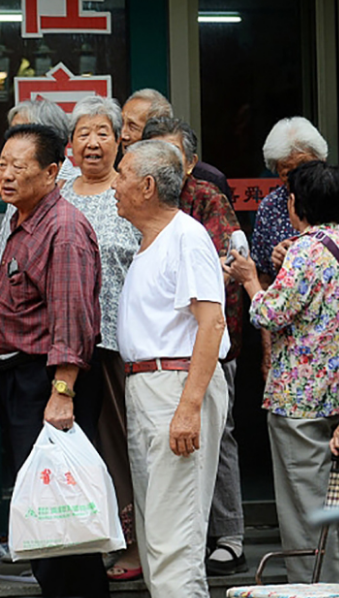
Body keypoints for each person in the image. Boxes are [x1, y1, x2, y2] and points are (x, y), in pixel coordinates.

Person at [0, 124, 107, 598]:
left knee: (61, 507)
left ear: (53, 171)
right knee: (42, 504)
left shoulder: (64, 228)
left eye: (19, 166)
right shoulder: (22, 218)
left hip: (48, 383)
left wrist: (62, 392)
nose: (7, 174)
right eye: (2, 164)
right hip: (19, 378)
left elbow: (72, 317)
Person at [114, 139, 229, 598]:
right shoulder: (153, 242)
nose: (114, 186)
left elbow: (212, 322)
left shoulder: (187, 236)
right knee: (158, 531)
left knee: (174, 538)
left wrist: (189, 407)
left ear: (145, 186)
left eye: (122, 175)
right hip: (151, 385)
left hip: (176, 384)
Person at [141, 116, 247, 574]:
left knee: (216, 436)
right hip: (159, 354)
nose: (164, 164)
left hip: (211, 339)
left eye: (172, 155)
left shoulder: (204, 200)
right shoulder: (139, 201)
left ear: (191, 163)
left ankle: (230, 534)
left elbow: (227, 265)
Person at [224, 161, 339, 582]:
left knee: (304, 506)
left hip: (301, 397)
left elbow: (272, 313)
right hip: (334, 395)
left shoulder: (305, 250)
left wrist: (251, 279)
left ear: (297, 203)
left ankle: (314, 587)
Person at [57, 96, 143, 582]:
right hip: (65, 343)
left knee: (119, 445)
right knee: (77, 448)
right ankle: (80, 546)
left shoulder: (130, 192)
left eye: (102, 132)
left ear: (119, 140)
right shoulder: (59, 190)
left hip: (117, 341)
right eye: (84, 133)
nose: (93, 142)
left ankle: (132, 544)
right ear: (70, 145)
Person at [252, 117, 329, 381]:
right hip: (289, 349)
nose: (299, 180)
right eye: (288, 174)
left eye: (305, 168)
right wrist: (267, 353)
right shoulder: (271, 208)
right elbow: (263, 281)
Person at [0, 97, 79, 283]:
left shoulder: (78, 187)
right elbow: (1, 251)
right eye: (12, 134)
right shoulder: (18, 186)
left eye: (23, 135)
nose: (14, 143)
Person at [120, 88, 230, 198]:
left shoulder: (209, 180)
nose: (123, 135)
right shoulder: (117, 169)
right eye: (121, 124)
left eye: (132, 126)